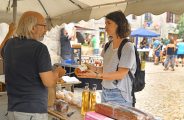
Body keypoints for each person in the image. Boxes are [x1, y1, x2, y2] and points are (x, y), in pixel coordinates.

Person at [2, 11, 65, 120]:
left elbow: (1, 50)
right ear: (32, 28)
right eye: (44, 26)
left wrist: (9, 32)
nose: (46, 30)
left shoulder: (10, 44)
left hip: (12, 110)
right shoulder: (40, 48)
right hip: (32, 112)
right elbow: (48, 82)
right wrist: (58, 72)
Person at [77, 11, 136, 107]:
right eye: (105, 23)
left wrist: (95, 76)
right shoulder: (108, 45)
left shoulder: (127, 47)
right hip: (105, 92)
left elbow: (120, 74)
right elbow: (104, 69)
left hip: (120, 95)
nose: (105, 27)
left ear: (119, 25)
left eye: (109, 23)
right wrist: (90, 67)